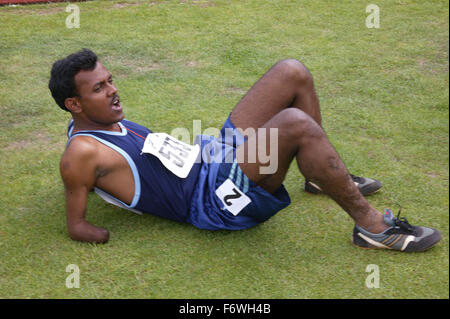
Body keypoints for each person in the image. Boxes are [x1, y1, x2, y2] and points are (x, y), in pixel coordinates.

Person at [49, 49, 441, 252]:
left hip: (213, 158)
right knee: (293, 124)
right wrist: (98, 232)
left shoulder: (92, 121)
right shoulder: (82, 153)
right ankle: (372, 228)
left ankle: (318, 178)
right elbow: (78, 227)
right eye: (98, 88)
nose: (113, 89)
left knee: (292, 71)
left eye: (110, 80)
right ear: (74, 104)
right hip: (213, 201)